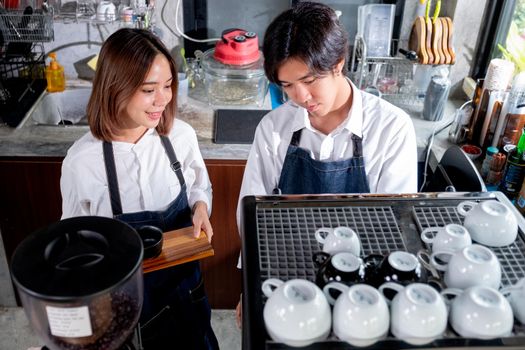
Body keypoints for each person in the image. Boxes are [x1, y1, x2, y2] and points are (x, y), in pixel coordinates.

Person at [235, 1, 417, 324]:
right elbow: (250, 217)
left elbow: (394, 231)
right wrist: (249, 285)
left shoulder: (391, 129)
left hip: (362, 289)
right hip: (288, 279)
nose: (300, 97)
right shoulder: (274, 130)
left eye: (309, 80)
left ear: (338, 63)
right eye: (287, 85)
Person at [60, 28, 219, 349]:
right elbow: (75, 248)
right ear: (115, 88)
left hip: (186, 292)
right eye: (149, 89)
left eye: (168, 85)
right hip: (126, 309)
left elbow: (200, 185)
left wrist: (201, 206)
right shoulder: (82, 163)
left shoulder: (180, 136)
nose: (164, 99)